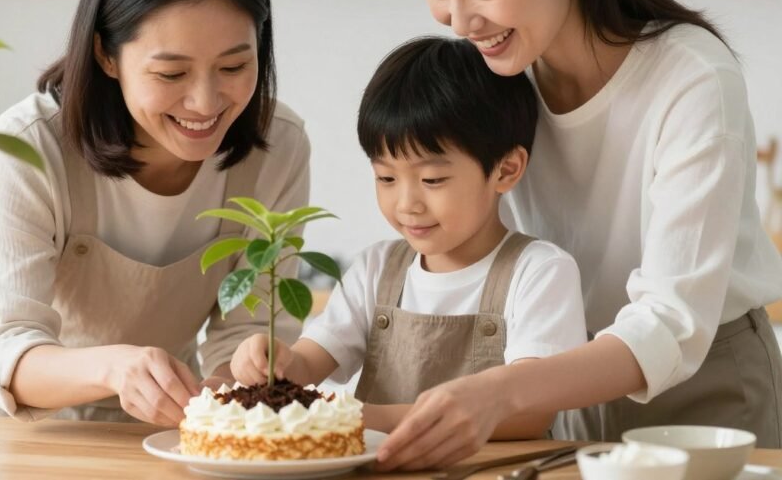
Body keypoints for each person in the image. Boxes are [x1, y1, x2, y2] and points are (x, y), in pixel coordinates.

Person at [376, 0, 782, 471]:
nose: (461, 22)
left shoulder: (690, 78)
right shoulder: (502, 75)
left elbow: (671, 321)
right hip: (561, 382)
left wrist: (500, 392)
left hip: (706, 388)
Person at [0, 0, 310, 426]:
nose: (205, 101)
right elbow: (7, 346)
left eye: (234, 66)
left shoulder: (279, 147)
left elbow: (247, 331)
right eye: (171, 72)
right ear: (107, 55)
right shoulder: (30, 147)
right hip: (12, 432)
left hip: (156, 429)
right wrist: (115, 368)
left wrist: (240, 375)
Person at [230, 37, 587, 440]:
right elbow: (308, 365)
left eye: (432, 180)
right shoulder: (375, 269)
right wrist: (272, 361)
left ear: (505, 170)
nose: (407, 204)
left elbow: (530, 413)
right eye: (386, 178)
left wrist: (360, 418)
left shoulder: (539, 272)